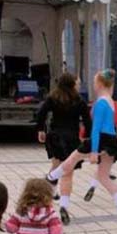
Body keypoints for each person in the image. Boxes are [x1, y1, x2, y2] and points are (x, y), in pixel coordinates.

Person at [46, 69, 117, 229]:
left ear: (100, 84)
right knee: (104, 176)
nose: (93, 85)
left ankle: (51, 177)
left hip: (99, 139)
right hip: (111, 140)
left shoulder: (101, 102)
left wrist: (94, 151)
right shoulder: (110, 101)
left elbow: (95, 128)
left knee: (72, 160)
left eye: (94, 82)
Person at [37, 73, 91, 224]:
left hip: (54, 136)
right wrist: (88, 138)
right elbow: (87, 121)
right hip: (71, 139)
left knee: (56, 165)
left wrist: (41, 130)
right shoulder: (79, 101)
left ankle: (46, 196)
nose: (79, 85)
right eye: (77, 82)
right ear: (72, 84)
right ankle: (64, 206)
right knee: (67, 174)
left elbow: (41, 113)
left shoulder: (53, 97)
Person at [83, 97, 117, 202]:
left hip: (99, 136)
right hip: (111, 136)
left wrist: (83, 133)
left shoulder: (97, 104)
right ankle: (97, 182)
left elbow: (90, 120)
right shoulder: (113, 103)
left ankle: (94, 185)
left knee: (101, 164)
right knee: (104, 165)